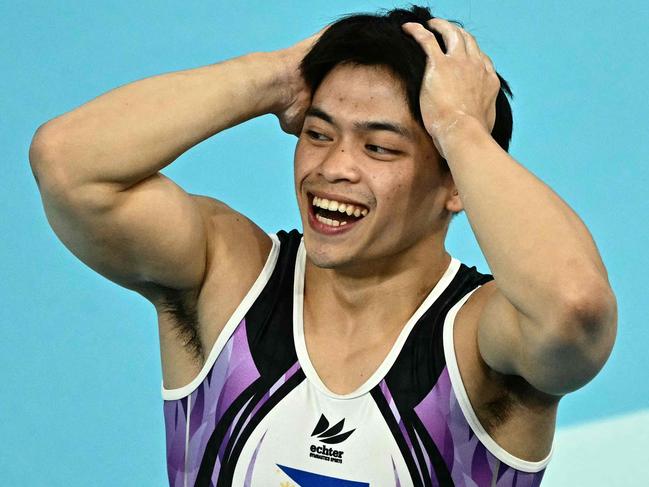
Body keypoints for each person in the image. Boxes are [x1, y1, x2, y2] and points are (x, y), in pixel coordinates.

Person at [29, 5, 617, 486]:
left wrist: (460, 124)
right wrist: (278, 76)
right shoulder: (227, 279)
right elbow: (70, 167)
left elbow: (575, 306)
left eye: (379, 148)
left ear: (455, 182)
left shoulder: (479, 340)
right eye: (317, 134)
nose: (333, 167)